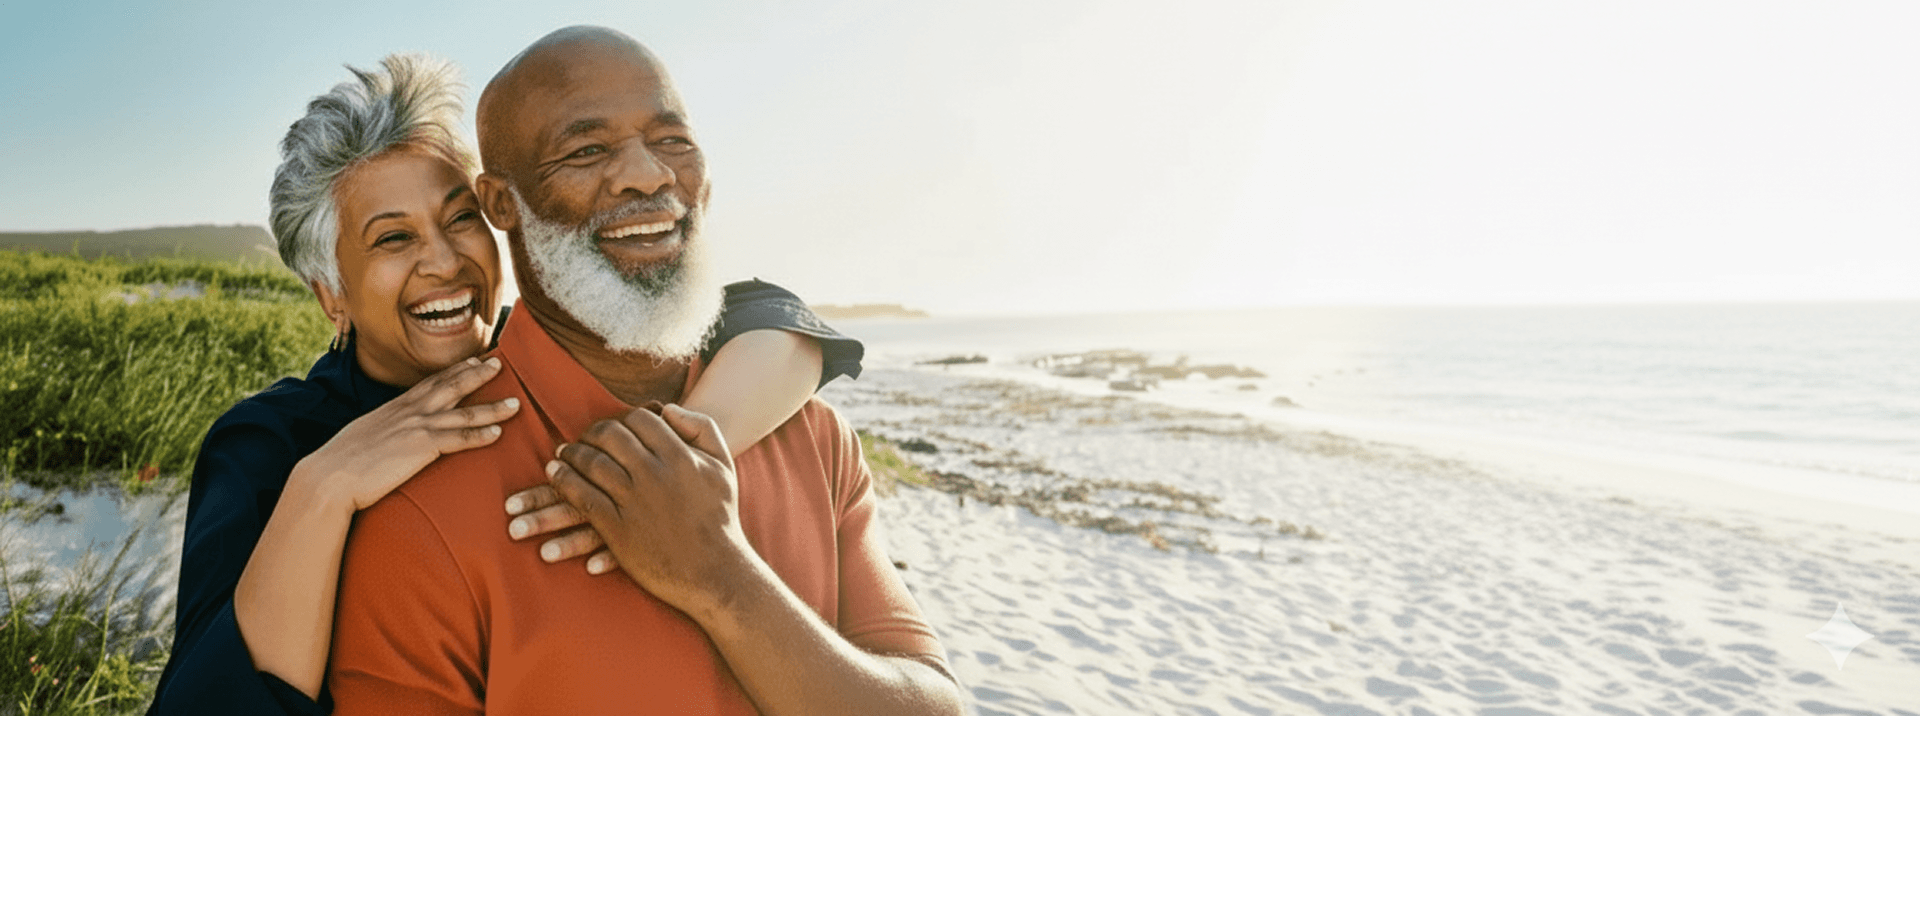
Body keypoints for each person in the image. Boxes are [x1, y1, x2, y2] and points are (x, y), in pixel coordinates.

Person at [147, 53, 862, 715]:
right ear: (331, 294)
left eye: (460, 220)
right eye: (393, 239)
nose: (444, 262)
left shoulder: (554, 350)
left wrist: (679, 454)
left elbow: (775, 318)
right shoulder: (271, 443)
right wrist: (324, 489)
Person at [325, 26, 965, 715]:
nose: (649, 176)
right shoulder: (416, 510)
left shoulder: (814, 436)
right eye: (587, 150)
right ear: (501, 202)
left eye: (673, 141)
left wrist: (722, 578)